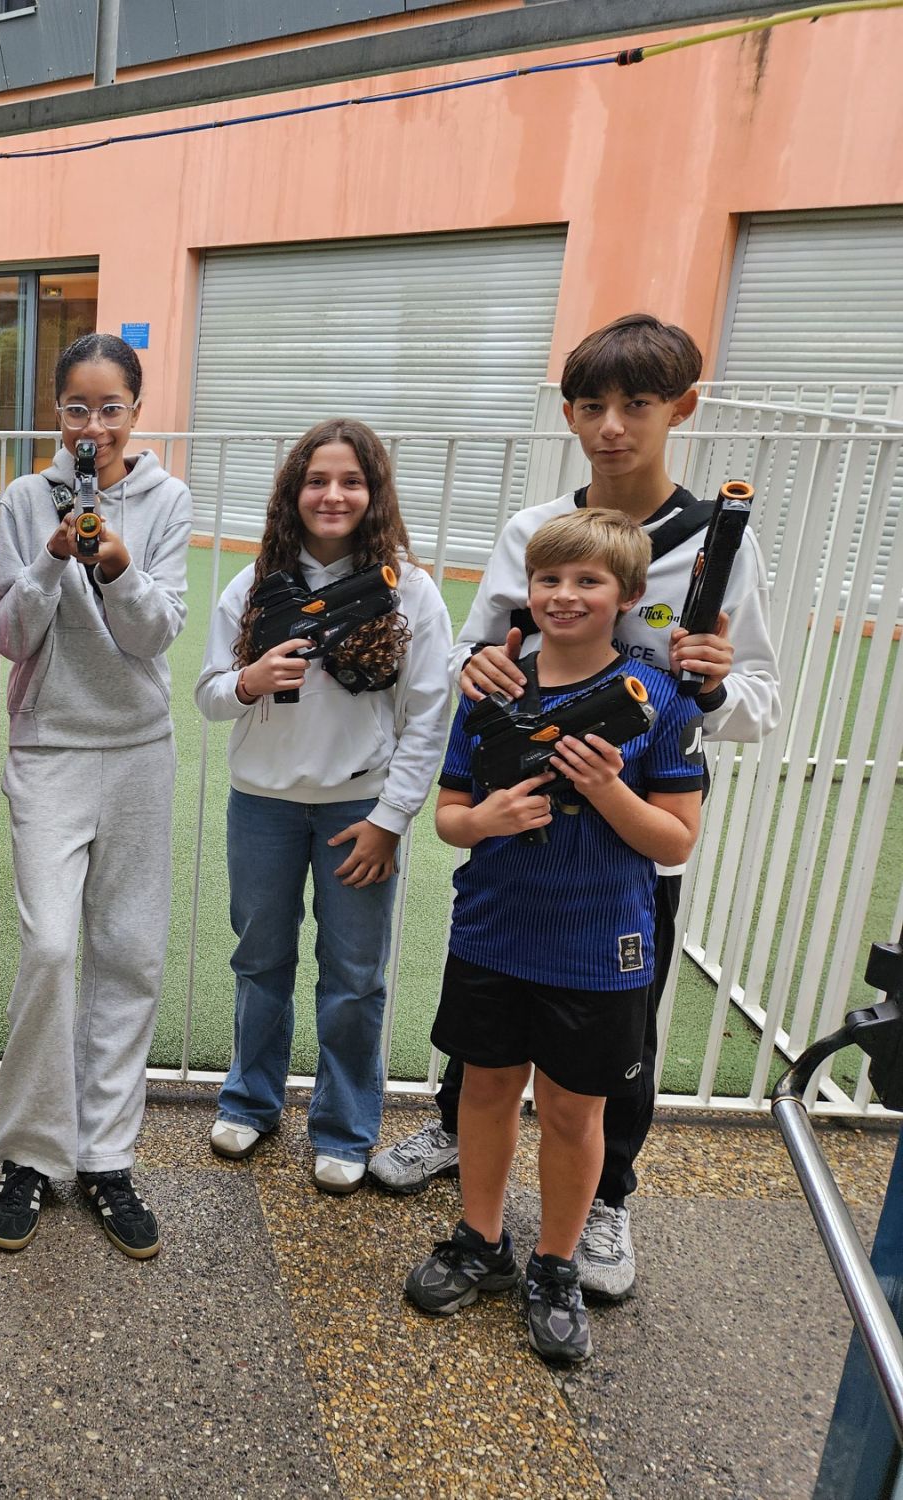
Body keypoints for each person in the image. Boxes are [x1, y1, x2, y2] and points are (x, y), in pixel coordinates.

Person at [370, 313, 780, 1302]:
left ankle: (605, 1201)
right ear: (568, 415)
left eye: (636, 404)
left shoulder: (719, 546)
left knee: (610, 1049)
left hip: (625, 842)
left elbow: (757, 703)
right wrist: (479, 672)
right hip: (517, 827)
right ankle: (462, 1141)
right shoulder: (532, 532)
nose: (612, 426)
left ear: (679, 408)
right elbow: (479, 655)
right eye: (591, 406)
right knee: (487, 1026)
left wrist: (712, 684)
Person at [404, 509, 705, 1364]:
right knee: (484, 1091)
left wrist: (607, 790)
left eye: (588, 581)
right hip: (494, 931)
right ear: (527, 591)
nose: (565, 596)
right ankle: (481, 1242)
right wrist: (487, 818)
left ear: (629, 596)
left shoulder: (661, 699)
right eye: (549, 580)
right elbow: (450, 816)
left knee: (575, 1111)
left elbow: (676, 841)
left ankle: (556, 1265)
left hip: (600, 945)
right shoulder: (492, 689)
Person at [195, 419, 451, 1194]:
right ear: (292, 492)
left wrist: (390, 820)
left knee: (355, 975)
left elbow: (428, 716)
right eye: (316, 480)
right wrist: (248, 682)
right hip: (263, 806)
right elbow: (209, 694)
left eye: (350, 481)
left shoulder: (408, 589)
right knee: (260, 960)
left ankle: (343, 1128)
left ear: (374, 492)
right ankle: (250, 1100)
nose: (332, 495)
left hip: (358, 811)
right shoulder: (254, 586)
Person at [0, 332, 193, 1258]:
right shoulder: (25, 499)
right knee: (51, 948)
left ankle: (107, 1157)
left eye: (111, 409)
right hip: (51, 746)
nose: (92, 427)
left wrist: (115, 564)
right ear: (56, 412)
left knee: (129, 952)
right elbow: (6, 635)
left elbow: (156, 634)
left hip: (138, 747)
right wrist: (51, 559)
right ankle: (32, 1153)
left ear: (136, 412)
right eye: (76, 407)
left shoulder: (168, 499)